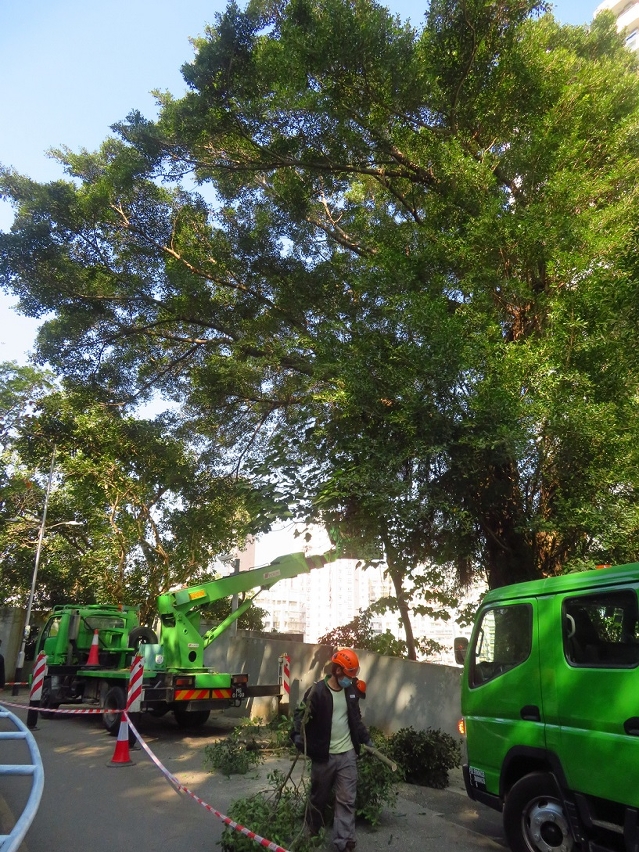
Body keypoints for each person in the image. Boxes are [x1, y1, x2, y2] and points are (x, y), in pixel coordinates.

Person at [291, 648, 373, 852]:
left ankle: (344, 842)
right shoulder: (317, 692)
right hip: (323, 756)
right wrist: (297, 737)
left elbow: (355, 719)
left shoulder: (351, 691)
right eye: (349, 674)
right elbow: (300, 717)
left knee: (346, 800)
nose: (351, 678)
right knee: (318, 798)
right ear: (338, 671)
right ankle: (312, 831)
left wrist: (366, 739)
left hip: (347, 754)